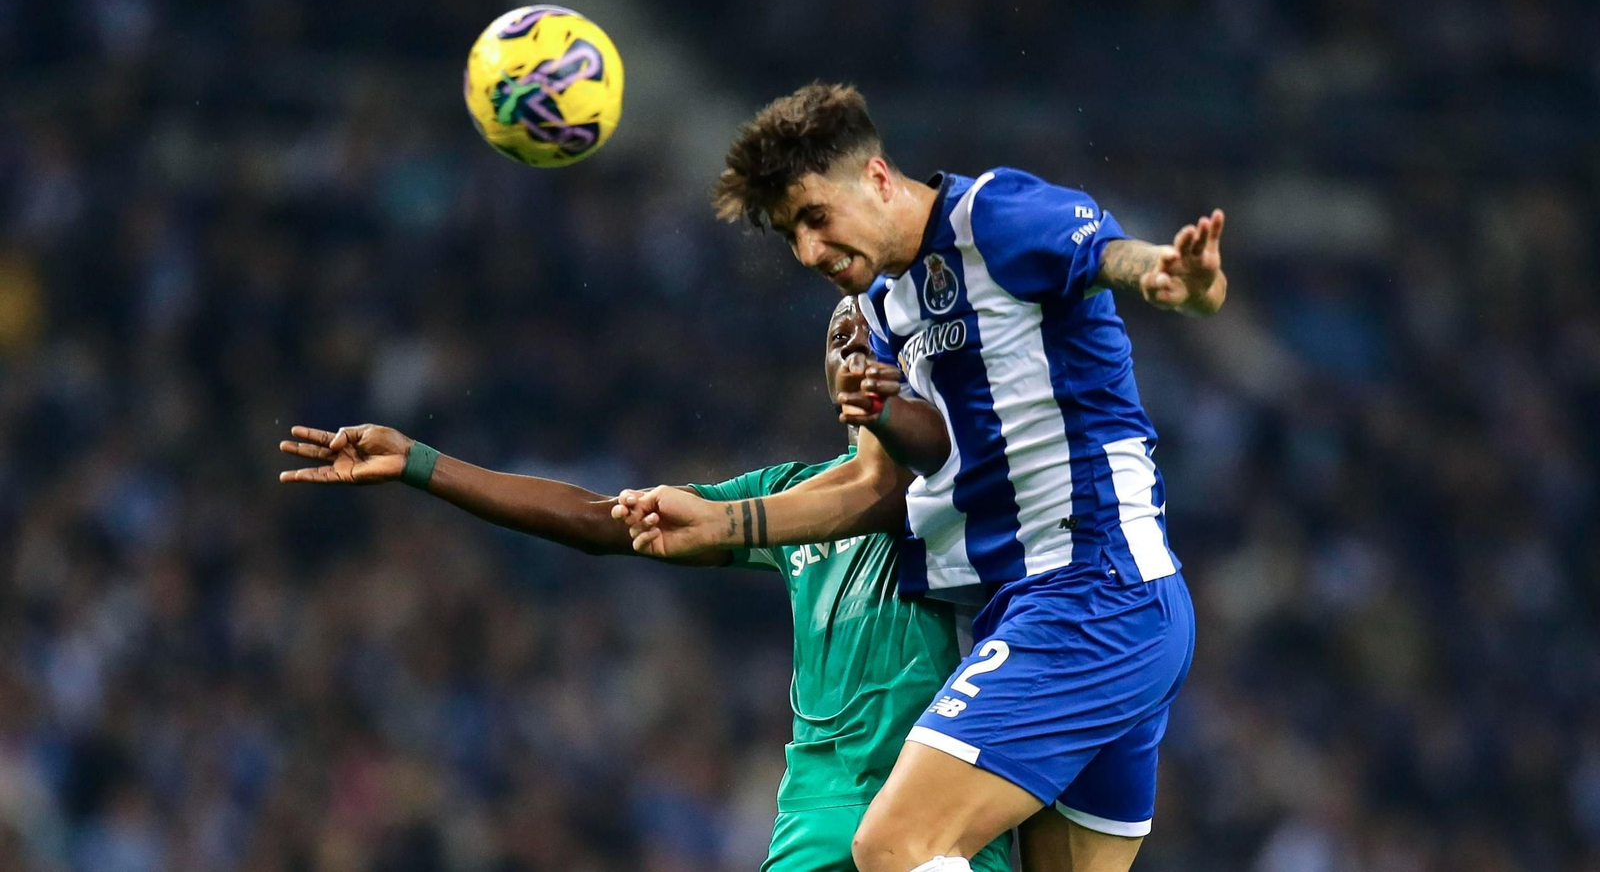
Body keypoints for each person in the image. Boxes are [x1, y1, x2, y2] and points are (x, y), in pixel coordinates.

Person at [613, 82, 1230, 872]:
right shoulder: (878, 301)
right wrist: (721, 521)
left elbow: (1113, 260)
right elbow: (876, 488)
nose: (807, 253)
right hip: (1074, 610)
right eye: (787, 236)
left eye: (813, 217)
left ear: (874, 178)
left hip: (1091, 596)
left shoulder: (993, 217)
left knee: (893, 847)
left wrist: (1174, 277)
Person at [276, 297, 1014, 872]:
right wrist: (421, 463)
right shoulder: (784, 495)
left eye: (870, 329)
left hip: (938, 792)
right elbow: (604, 522)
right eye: (835, 335)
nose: (851, 340)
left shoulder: (962, 482)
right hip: (816, 809)